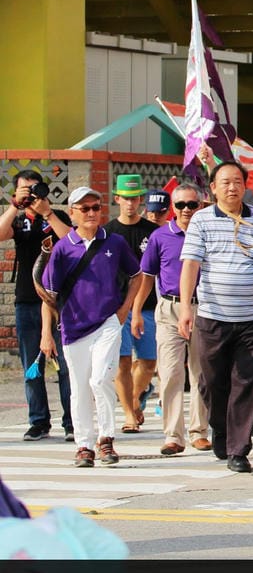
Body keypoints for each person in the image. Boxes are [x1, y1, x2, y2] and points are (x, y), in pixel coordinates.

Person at [178, 161, 253, 474]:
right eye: (225, 182)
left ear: (246, 186)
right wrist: (186, 306)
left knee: (244, 382)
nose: (232, 187)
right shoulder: (202, 219)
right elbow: (190, 265)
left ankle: (239, 449)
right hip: (213, 317)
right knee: (213, 382)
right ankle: (220, 428)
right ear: (213, 188)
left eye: (238, 181)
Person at [40, 186, 142, 468]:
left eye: (96, 207)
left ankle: (106, 439)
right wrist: (47, 331)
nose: (91, 213)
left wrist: (123, 311)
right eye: (84, 209)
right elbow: (49, 294)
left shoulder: (115, 242)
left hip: (107, 321)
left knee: (100, 379)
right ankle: (84, 445)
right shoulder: (62, 247)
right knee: (80, 388)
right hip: (73, 327)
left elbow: (137, 275)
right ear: (72, 213)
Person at [131, 182, 211, 455]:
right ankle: (173, 435)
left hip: (204, 308)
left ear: (201, 205)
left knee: (200, 372)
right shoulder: (160, 237)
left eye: (192, 204)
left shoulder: (208, 234)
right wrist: (136, 311)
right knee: (170, 372)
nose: (186, 210)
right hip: (169, 309)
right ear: (172, 208)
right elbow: (146, 276)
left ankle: (199, 431)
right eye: (181, 205)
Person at [0, 170, 73, 441]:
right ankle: (38, 421)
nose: (31, 195)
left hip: (60, 301)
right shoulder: (19, 221)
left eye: (34, 189)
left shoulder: (57, 217)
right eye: (24, 190)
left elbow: (71, 242)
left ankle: (71, 421)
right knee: (32, 365)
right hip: (27, 300)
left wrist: (48, 214)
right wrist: (13, 205)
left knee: (65, 365)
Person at [104, 174, 160, 436]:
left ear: (141, 201)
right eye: (125, 198)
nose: (130, 203)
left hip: (149, 306)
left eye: (134, 198)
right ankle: (128, 414)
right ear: (117, 199)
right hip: (117, 308)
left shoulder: (153, 232)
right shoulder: (108, 232)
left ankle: (136, 397)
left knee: (149, 362)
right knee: (123, 362)